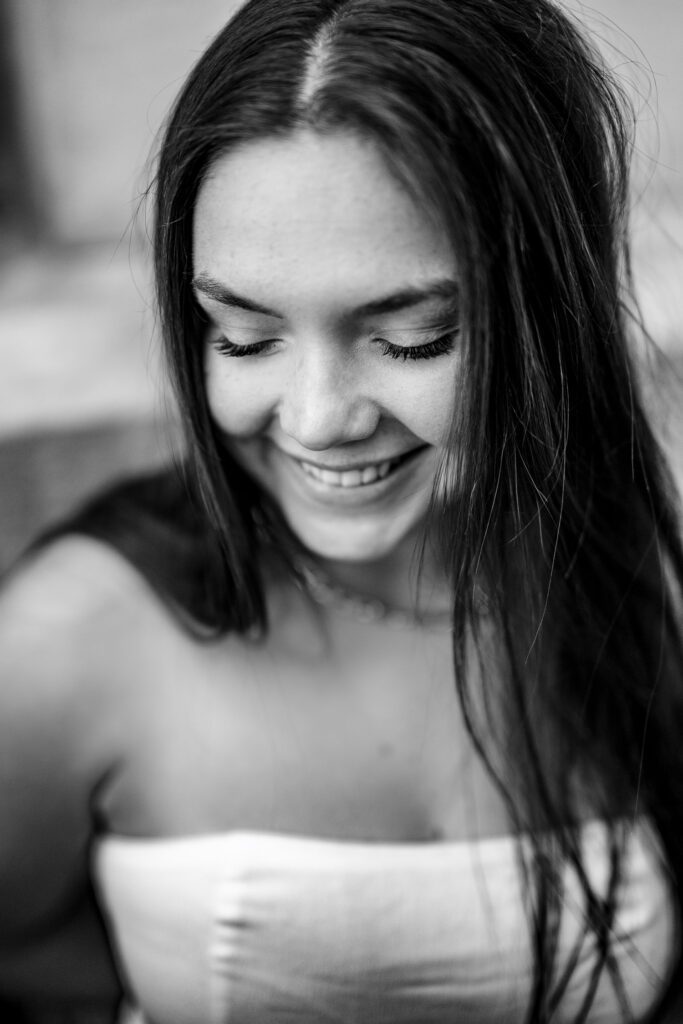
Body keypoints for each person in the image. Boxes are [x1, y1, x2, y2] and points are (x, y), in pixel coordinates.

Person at [1, 0, 682, 1021]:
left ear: (550, 312)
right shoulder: (74, 636)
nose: (316, 420)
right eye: (240, 335)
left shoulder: (647, 583)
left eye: (410, 338)